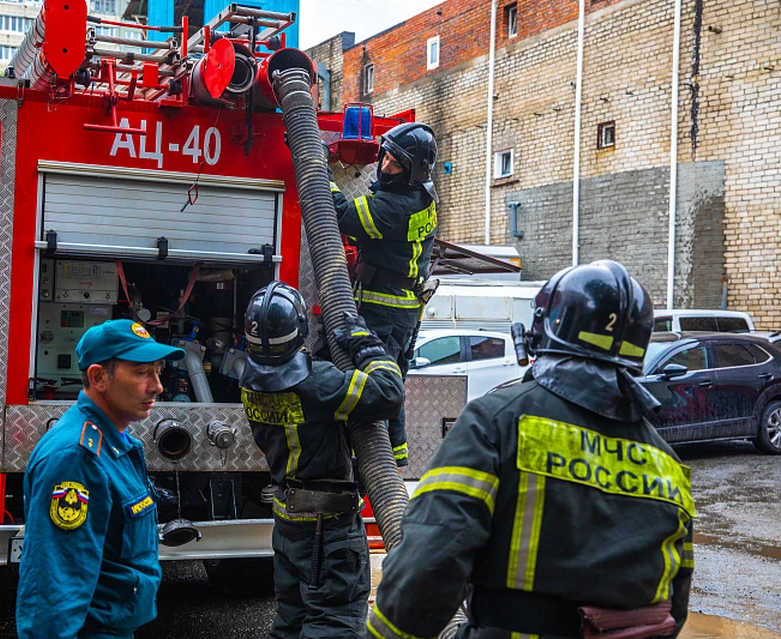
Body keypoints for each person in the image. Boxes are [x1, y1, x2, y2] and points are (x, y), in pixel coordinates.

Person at [367, 260, 695, 639]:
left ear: (543, 329)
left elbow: (427, 566)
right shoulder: (666, 462)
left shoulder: (497, 422)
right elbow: (675, 604)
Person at [240, 281, 404, 639]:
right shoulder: (318, 383)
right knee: (334, 623)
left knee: (291, 622)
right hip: (326, 531)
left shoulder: (249, 379)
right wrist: (367, 345)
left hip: (287, 523)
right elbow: (389, 393)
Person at [16, 319, 185, 639]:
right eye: (140, 372)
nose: (157, 386)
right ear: (98, 377)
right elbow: (56, 585)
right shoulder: (76, 458)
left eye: (158, 370)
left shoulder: (115, 443)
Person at [331, 122, 439, 467]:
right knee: (391, 381)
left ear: (412, 171)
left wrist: (323, 172)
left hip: (384, 308)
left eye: (395, 163)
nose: (385, 167)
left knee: (379, 385)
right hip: (402, 308)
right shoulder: (423, 195)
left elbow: (342, 215)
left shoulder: (396, 208)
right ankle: (391, 458)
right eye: (385, 157)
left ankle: (381, 464)